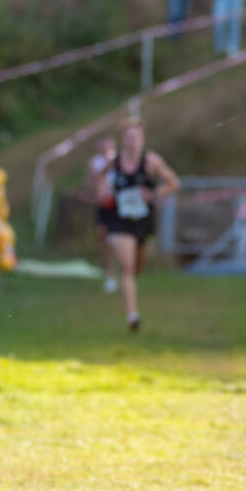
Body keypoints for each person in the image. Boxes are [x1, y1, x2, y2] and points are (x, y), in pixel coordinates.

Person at [98, 119, 180, 332]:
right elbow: (99, 178)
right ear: (123, 140)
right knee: (127, 266)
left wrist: (154, 194)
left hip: (144, 221)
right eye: (128, 137)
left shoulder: (151, 161)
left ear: (142, 139)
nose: (132, 141)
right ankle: (132, 316)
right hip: (120, 219)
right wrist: (102, 193)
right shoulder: (115, 162)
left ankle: (131, 283)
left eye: (135, 137)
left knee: (137, 267)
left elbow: (173, 182)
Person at [88, 136, 119, 293]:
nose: (106, 148)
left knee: (118, 239)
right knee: (103, 237)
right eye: (104, 145)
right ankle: (109, 275)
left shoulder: (120, 160)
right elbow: (93, 181)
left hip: (119, 204)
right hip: (104, 205)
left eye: (109, 145)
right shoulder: (95, 162)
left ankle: (121, 272)